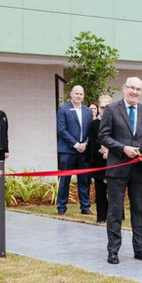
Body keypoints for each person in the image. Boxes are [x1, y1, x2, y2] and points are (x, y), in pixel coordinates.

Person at [98, 77, 142, 265]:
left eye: (139, 89)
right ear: (124, 88)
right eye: (132, 88)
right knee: (115, 211)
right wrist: (123, 148)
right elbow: (103, 136)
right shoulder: (112, 110)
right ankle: (113, 251)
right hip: (117, 169)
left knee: (140, 212)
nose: (135, 92)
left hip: (139, 170)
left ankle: (140, 249)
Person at [55, 85, 93, 216]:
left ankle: (85, 207)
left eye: (81, 94)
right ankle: (61, 207)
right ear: (71, 94)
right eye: (76, 93)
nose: (79, 96)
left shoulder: (88, 111)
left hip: (84, 150)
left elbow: (91, 130)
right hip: (67, 150)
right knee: (65, 180)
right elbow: (61, 130)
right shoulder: (63, 109)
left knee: (84, 180)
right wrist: (76, 144)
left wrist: (86, 143)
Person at [85, 96, 111, 223]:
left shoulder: (116, 122)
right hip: (98, 161)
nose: (104, 109)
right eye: (102, 107)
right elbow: (92, 142)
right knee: (100, 191)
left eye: (107, 107)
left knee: (114, 191)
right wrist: (102, 153)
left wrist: (110, 151)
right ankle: (101, 217)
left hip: (113, 161)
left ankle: (116, 216)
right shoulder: (93, 124)